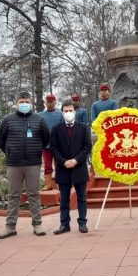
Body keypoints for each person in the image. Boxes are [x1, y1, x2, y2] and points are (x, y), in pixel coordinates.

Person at [0, 91, 50, 239]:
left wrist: (36, 150)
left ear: (31, 103)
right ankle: (10, 227)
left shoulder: (39, 120)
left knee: (34, 194)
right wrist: (10, 151)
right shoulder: (7, 120)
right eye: (21, 102)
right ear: (16, 103)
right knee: (13, 195)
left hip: (33, 163)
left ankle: (37, 224)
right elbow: (0, 139)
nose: (24, 104)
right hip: (14, 164)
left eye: (27, 102)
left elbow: (46, 138)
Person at [50, 100, 93, 234]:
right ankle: (64, 224)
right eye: (66, 111)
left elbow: (87, 146)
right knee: (64, 198)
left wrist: (76, 160)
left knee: (81, 197)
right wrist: (63, 162)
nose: (68, 113)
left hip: (79, 167)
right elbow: (54, 148)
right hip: (63, 168)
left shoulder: (83, 127)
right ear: (62, 112)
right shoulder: (56, 129)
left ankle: (82, 223)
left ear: (75, 111)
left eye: (70, 110)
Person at [38, 94, 63, 191]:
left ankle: (60, 184)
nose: (49, 103)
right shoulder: (40, 115)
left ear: (55, 102)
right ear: (45, 102)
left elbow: (63, 128)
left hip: (58, 145)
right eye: (48, 102)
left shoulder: (60, 114)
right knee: (47, 166)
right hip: (46, 145)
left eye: (51, 102)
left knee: (59, 165)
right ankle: (48, 184)